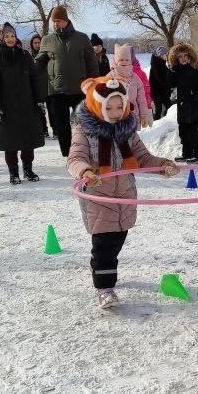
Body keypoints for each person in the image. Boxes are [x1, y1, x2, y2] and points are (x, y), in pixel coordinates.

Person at [68, 77, 178, 309]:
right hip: (99, 197)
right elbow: (75, 159)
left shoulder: (127, 131)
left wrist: (163, 165)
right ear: (96, 105)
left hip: (125, 196)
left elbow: (143, 158)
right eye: (108, 107)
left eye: (120, 106)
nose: (116, 112)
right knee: (104, 246)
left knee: (116, 240)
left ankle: (99, 267)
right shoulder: (84, 132)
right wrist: (86, 171)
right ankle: (105, 288)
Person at [0, 22, 46, 184]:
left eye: (12, 35)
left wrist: (40, 100)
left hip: (27, 105)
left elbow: (35, 79)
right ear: (0, 37)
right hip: (7, 107)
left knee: (28, 141)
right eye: (6, 36)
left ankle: (28, 169)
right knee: (10, 143)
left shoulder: (25, 54)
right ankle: (13, 173)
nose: (10, 39)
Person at [36, 6, 99, 157]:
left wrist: (93, 84)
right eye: (54, 21)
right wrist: (26, 67)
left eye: (58, 21)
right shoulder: (47, 40)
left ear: (65, 20)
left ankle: (85, 151)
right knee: (61, 125)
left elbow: (92, 63)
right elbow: (39, 62)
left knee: (82, 123)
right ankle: (68, 154)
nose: (56, 24)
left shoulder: (82, 38)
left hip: (79, 89)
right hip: (57, 90)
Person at [167, 43, 198, 164]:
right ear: (176, 58)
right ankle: (187, 154)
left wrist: (197, 94)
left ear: (189, 55)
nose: (183, 58)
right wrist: (171, 71)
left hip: (194, 105)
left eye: (185, 55)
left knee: (192, 132)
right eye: (180, 56)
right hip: (182, 106)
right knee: (183, 131)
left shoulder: (196, 67)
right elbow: (169, 84)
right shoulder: (176, 70)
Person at [112, 44, 153, 129]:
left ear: (131, 61)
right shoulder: (110, 77)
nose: (124, 61)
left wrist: (144, 114)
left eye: (127, 59)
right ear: (116, 61)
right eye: (121, 59)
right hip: (117, 117)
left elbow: (141, 99)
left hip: (133, 116)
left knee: (132, 140)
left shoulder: (135, 77)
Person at [131, 52, 153, 124]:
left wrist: (148, 109)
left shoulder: (139, 73)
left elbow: (146, 91)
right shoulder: (112, 74)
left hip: (136, 111)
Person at [149, 46, 170, 119]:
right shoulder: (156, 65)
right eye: (165, 54)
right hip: (157, 92)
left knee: (169, 107)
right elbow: (161, 79)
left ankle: (166, 121)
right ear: (161, 55)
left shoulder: (160, 63)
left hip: (161, 91)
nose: (167, 56)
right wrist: (169, 81)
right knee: (159, 109)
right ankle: (156, 126)